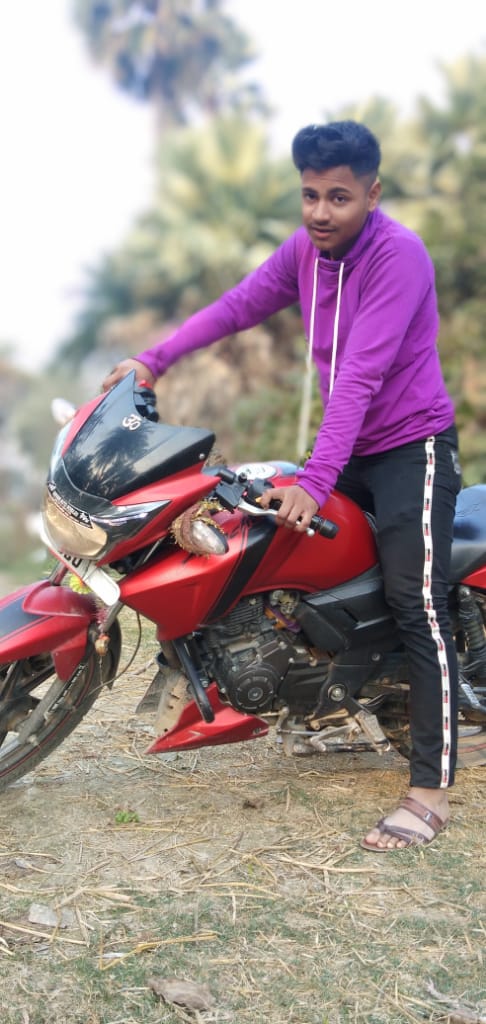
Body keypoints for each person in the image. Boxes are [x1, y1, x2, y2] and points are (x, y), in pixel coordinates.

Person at [103, 120, 461, 852]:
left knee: (415, 601)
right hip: (346, 448)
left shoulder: (399, 256)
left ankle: (430, 791)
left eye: (339, 197)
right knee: (268, 543)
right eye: (310, 195)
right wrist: (153, 360)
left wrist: (316, 478)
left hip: (411, 449)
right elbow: (237, 306)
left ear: (372, 194)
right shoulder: (307, 251)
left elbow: (359, 374)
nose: (321, 212)